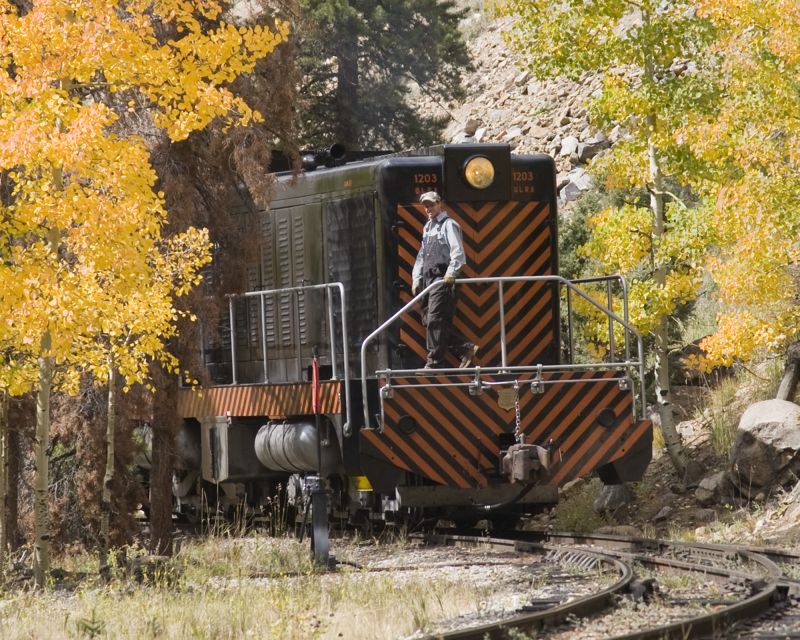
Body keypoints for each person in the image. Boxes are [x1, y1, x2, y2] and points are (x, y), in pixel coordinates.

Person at [411, 191, 479, 369]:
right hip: (428, 280)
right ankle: (465, 348)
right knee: (429, 320)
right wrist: (416, 278)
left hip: (442, 280)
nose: (428, 209)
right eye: (426, 206)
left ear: (440, 204)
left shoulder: (449, 225)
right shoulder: (428, 228)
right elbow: (421, 255)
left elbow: (458, 253)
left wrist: (451, 273)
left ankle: (434, 363)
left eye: (431, 205)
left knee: (435, 320)